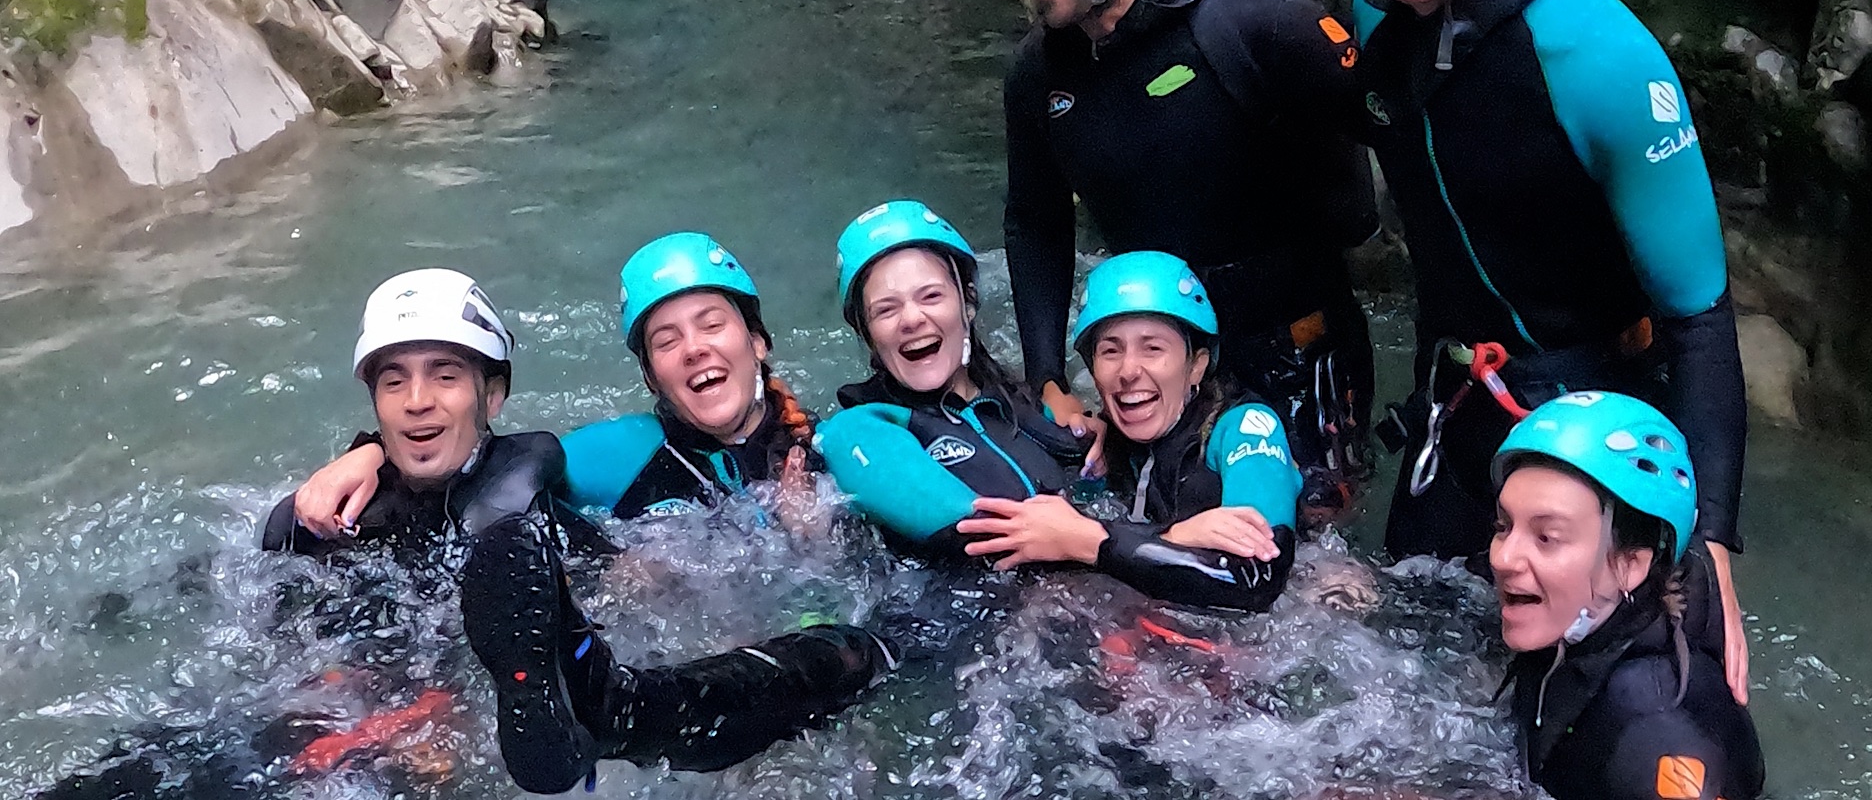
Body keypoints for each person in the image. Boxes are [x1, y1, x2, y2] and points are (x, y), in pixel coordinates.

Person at [1314, 0, 1750, 696]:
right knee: (1394, 691)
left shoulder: (1593, 51)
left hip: (1593, 431)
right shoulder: (1376, 17)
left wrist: (1709, 545)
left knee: (1582, 726)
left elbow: (1700, 315)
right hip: (1457, 411)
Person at [269, 269, 887, 792]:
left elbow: (627, 569)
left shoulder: (530, 503)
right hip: (402, 731)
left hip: (536, 700)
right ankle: (600, 702)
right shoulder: (324, 524)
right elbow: (296, 667)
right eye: (393, 382)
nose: (417, 400)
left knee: (845, 651)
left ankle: (601, 698)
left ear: (493, 398)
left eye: (445, 376)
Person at [986, 0, 1378, 506]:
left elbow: (1394, 155)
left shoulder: (1252, 28)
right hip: (1153, 364)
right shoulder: (1039, 75)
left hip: (1296, 353)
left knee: (1300, 576)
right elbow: (1036, 221)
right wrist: (1048, 377)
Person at [816, 209, 1289, 611]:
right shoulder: (858, 429)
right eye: (885, 309)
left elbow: (1253, 572)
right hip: (974, 639)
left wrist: (1102, 458)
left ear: (969, 303)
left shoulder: (1029, 412)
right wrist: (1169, 537)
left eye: (931, 295)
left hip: (1104, 615)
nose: (912, 319)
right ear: (866, 331)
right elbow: (975, 532)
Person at [289, 234, 820, 533]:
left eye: (711, 324)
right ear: (650, 375)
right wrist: (373, 453)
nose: (694, 349)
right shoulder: (619, 453)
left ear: (757, 342)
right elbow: (483, 459)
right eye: (665, 341)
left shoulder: (837, 449)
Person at [955, 251, 1302, 612]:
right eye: (1110, 351)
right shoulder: (1106, 444)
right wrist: (1171, 536)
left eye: (1152, 348)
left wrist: (1088, 541)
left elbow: (1257, 581)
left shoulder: (1245, 431)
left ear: (1196, 367)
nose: (1128, 371)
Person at [1491, 393, 1764, 800]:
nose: (1503, 556)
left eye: (1547, 537)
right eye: (1503, 525)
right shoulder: (1583, 625)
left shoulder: (1656, 730)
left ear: (1630, 564)